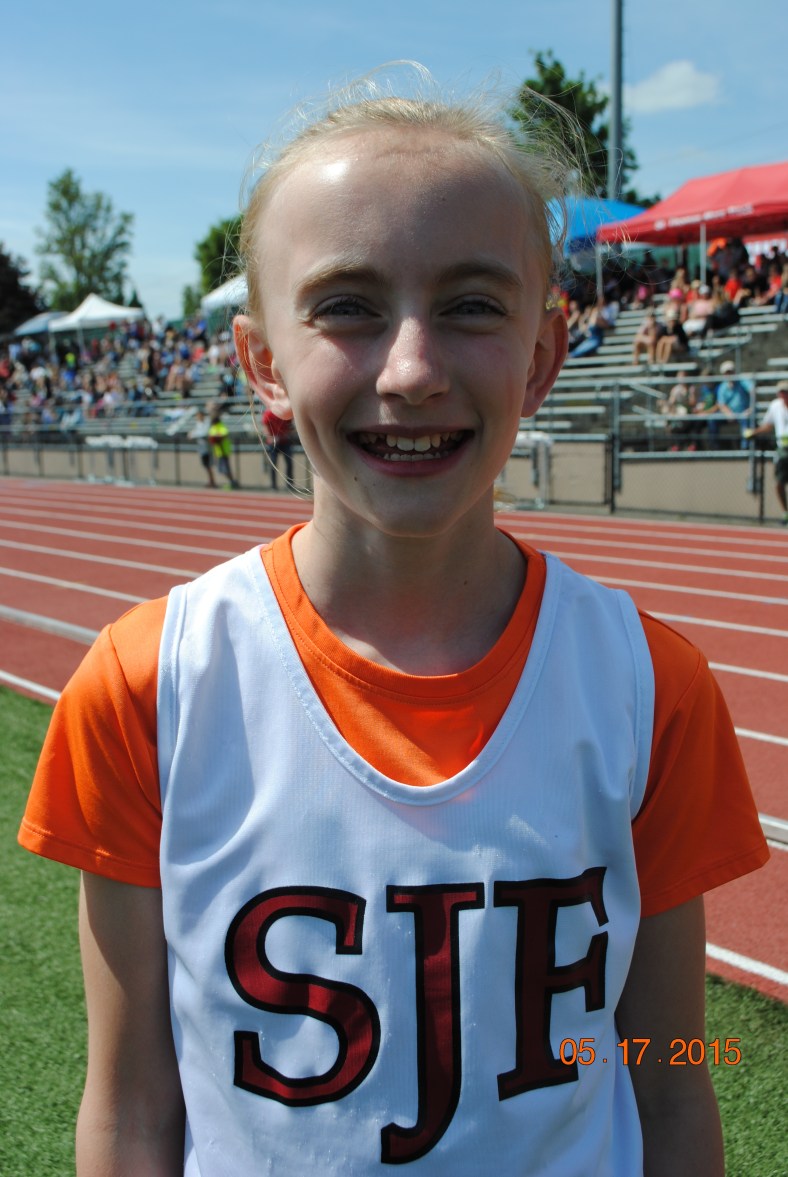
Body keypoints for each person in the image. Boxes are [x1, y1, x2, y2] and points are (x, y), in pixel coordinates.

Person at [19, 71, 767, 1177]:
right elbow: (132, 1110)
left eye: (472, 305)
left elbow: (666, 1075)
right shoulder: (149, 685)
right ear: (263, 365)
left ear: (542, 356)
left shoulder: (647, 685)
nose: (411, 370)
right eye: (346, 307)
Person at [744, 380, 788, 523]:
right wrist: (754, 432)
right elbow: (768, 425)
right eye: (782, 392)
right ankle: (785, 513)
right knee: (779, 482)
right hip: (782, 450)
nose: (784, 395)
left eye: (786, 391)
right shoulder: (775, 406)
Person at [261, 405, 295, 490]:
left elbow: (290, 426)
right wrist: (271, 438)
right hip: (273, 443)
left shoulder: (285, 413)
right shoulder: (268, 413)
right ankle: (273, 485)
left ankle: (290, 484)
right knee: (273, 463)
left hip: (284, 442)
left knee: (289, 461)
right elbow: (265, 427)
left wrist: (284, 435)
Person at [207, 407, 239, 488]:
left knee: (225, 469)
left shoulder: (221, 426)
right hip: (218, 451)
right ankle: (232, 482)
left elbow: (224, 434)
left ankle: (233, 482)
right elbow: (211, 437)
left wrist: (217, 437)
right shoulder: (213, 427)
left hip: (224, 451)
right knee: (222, 469)